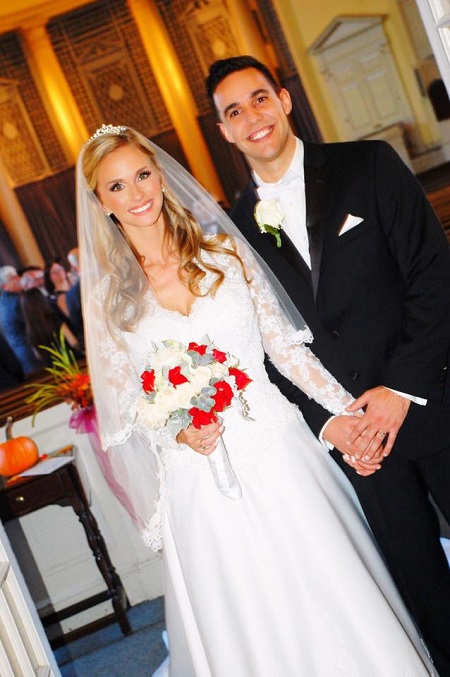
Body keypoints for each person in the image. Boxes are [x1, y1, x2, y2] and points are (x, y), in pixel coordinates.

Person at [77, 125, 436, 676]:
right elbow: (126, 404)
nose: (138, 193)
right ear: (100, 202)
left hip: (279, 450)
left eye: (143, 175)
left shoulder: (225, 253)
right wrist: (177, 430)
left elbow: (289, 355)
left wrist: (350, 418)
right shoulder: (108, 300)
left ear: (162, 176)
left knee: (333, 595)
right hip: (200, 482)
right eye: (117, 186)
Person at [206, 55, 450, 675]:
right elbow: (262, 349)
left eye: (259, 99)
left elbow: (433, 275)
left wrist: (400, 389)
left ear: (284, 101)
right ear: (225, 131)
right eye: (234, 111)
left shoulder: (367, 165)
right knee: (422, 592)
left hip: (432, 396)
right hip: (357, 440)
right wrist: (333, 424)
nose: (251, 117)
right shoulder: (232, 231)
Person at [0, 265, 42, 375]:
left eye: (17, 276)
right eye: (13, 278)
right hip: (32, 351)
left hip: (20, 353)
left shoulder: (3, 301)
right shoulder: (17, 301)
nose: (19, 279)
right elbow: (35, 322)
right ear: (4, 286)